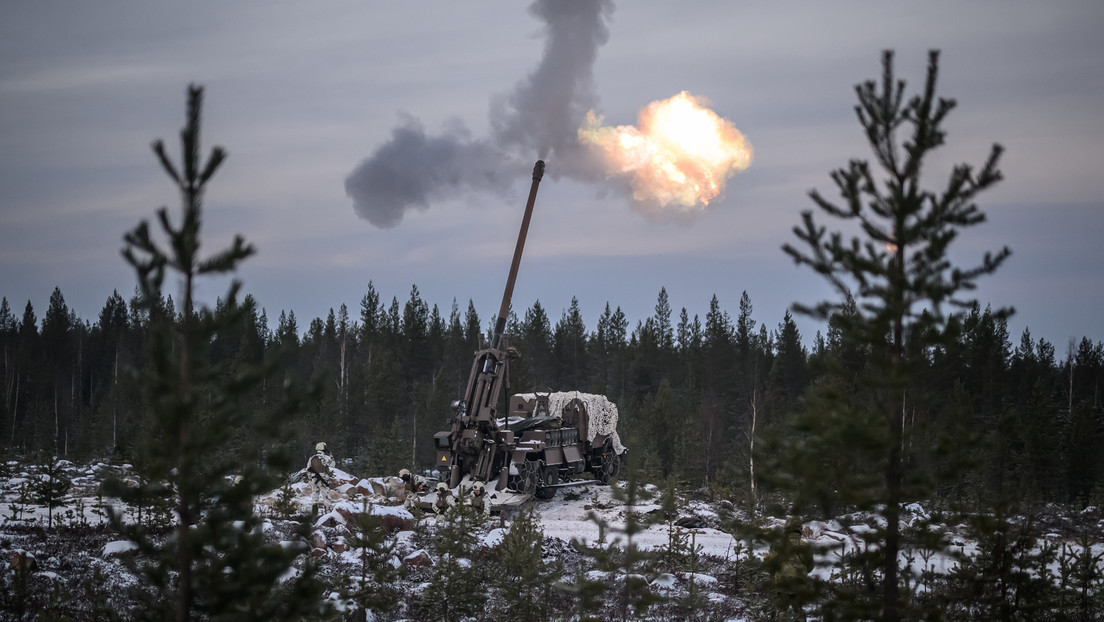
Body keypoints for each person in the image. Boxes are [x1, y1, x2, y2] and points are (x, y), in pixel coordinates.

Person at [764, 519, 814, 622]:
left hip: (782, 582)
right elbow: (810, 565)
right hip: (799, 583)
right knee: (799, 611)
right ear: (799, 530)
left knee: (781, 610)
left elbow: (770, 564)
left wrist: (774, 576)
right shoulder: (805, 546)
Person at [306, 441, 336, 515]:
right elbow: (333, 465)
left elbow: (308, 469)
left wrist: (310, 478)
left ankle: (314, 514)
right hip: (323, 478)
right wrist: (331, 456)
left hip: (314, 478)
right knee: (326, 496)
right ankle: (328, 514)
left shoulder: (312, 458)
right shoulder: (325, 457)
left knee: (314, 497)